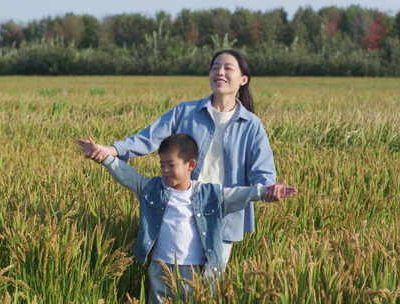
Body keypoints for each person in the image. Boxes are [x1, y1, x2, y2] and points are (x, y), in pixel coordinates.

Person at [79, 50, 277, 268]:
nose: (220, 72)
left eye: (228, 68)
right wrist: (112, 151)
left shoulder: (251, 125)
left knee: (208, 284)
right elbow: (149, 138)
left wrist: (269, 190)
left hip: (223, 212)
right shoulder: (186, 111)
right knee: (168, 274)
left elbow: (263, 169)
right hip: (181, 206)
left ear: (243, 79)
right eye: (215, 67)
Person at [77, 134, 296, 304]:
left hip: (196, 271)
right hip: (160, 267)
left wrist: (265, 192)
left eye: (170, 165)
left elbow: (241, 194)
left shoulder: (210, 194)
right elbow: (128, 175)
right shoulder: (152, 189)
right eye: (161, 164)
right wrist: (105, 157)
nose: (164, 170)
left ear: (190, 165)